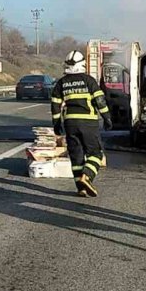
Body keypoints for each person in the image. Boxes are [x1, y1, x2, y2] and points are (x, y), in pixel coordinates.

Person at [51, 50, 113, 197]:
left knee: (76, 156)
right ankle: (87, 176)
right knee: (95, 153)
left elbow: (55, 104)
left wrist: (56, 123)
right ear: (82, 64)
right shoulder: (88, 80)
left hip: (70, 123)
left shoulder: (61, 83)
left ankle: (81, 188)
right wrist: (107, 117)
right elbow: (100, 101)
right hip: (88, 122)